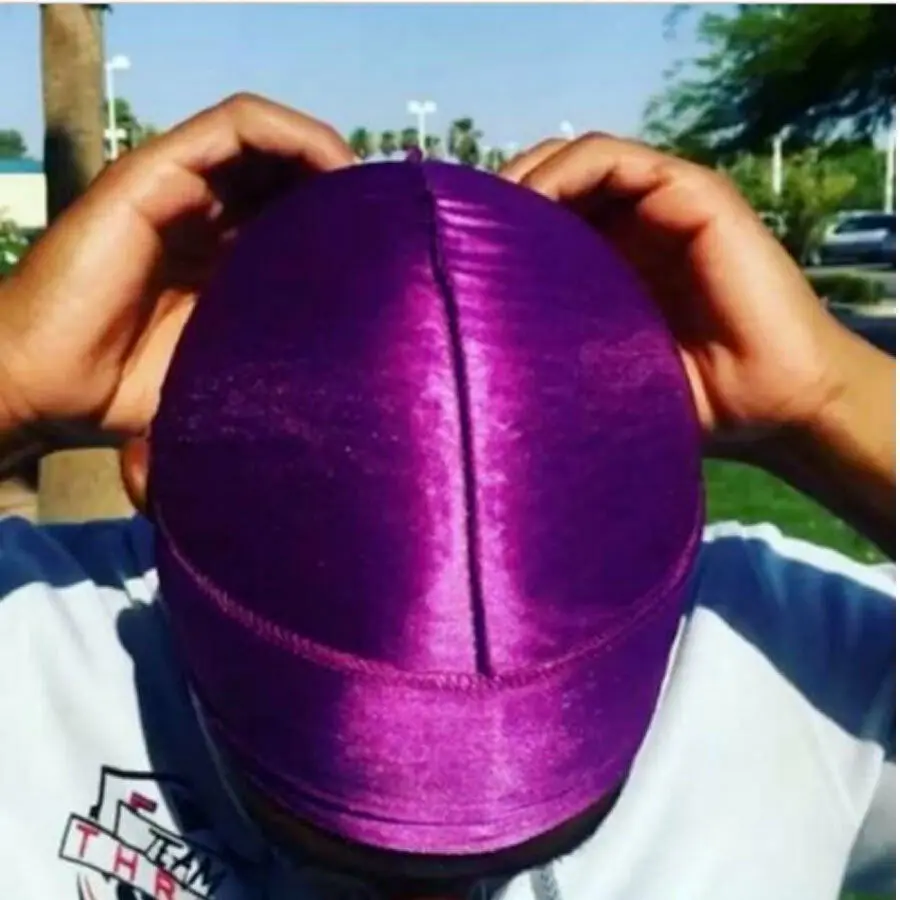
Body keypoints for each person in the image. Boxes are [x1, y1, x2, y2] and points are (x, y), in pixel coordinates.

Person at [0, 93, 893, 900]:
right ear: (151, 475)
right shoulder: (37, 648)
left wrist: (825, 395)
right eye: (344, 847)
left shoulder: (785, 662)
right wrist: (13, 369)